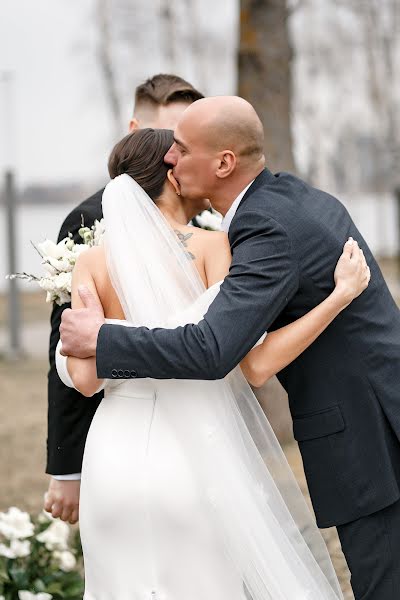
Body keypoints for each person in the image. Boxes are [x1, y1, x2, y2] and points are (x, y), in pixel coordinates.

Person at [60, 96, 400, 600]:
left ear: (223, 162)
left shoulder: (261, 227)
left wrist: (102, 338)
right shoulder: (298, 201)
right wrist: (337, 298)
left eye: (182, 147)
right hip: (373, 415)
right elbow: (250, 363)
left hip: (364, 439)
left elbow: (213, 350)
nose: (172, 159)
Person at [44, 74, 204, 525]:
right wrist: (66, 468)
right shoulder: (90, 219)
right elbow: (70, 344)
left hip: (204, 419)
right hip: (120, 422)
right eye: (173, 140)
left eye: (190, 143)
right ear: (136, 131)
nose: (178, 157)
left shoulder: (212, 216)